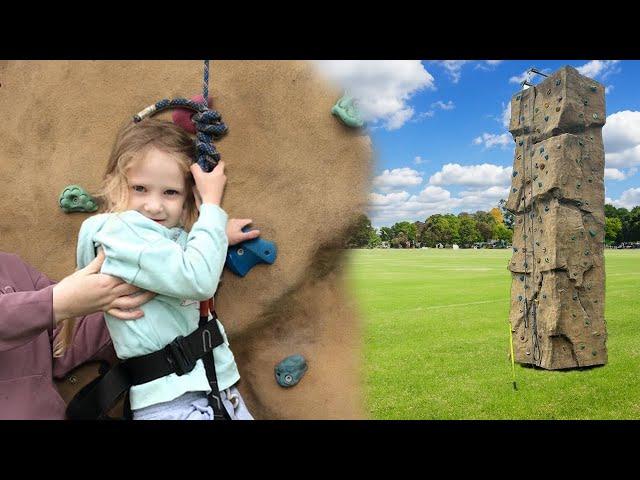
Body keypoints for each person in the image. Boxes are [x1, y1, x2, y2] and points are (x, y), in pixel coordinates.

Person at [61, 118, 257, 420]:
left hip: (213, 392)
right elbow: (197, 279)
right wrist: (212, 206)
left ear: (186, 197)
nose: (154, 206)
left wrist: (216, 235)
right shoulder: (121, 233)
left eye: (170, 193)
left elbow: (174, 260)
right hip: (173, 405)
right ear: (116, 185)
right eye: (140, 188)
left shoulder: (157, 239)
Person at [0, 250, 155, 420]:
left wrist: (126, 298)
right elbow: (59, 303)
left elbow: (64, 337)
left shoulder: (10, 265)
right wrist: (57, 302)